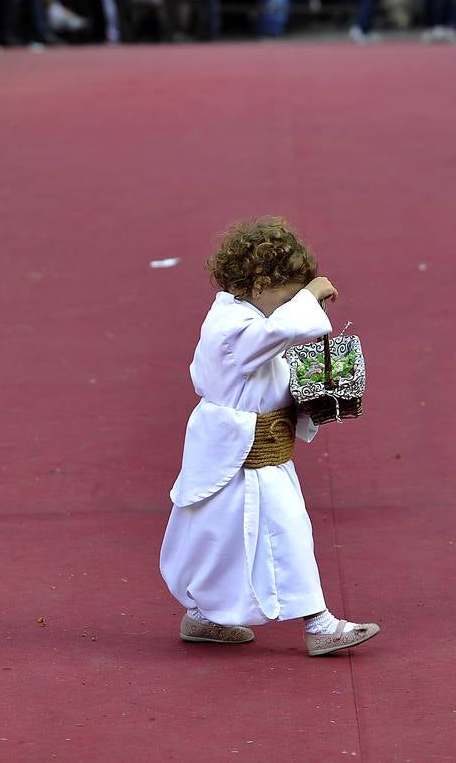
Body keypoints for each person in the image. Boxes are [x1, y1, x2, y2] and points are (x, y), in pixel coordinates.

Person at [159, 216, 382, 657]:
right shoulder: (233, 328)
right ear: (259, 284)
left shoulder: (248, 320)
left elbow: (277, 356)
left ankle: (204, 616)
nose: (294, 302)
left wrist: (311, 390)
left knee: (220, 535)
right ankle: (320, 625)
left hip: (256, 455)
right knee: (274, 530)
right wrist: (313, 295)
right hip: (239, 454)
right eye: (289, 293)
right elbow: (280, 333)